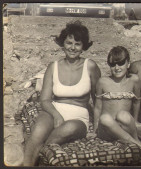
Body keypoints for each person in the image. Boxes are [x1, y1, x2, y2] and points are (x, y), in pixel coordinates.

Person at [23, 21, 101, 166]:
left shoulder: (90, 66)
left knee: (68, 128)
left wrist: (96, 128)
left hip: (78, 117)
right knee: (37, 132)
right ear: (62, 43)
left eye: (77, 44)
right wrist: (56, 115)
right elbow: (45, 100)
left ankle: (41, 156)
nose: (72, 47)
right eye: (69, 42)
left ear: (83, 46)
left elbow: (98, 100)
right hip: (54, 110)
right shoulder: (53, 67)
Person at [93, 46, 141, 157]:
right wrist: (95, 127)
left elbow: (136, 102)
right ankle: (138, 144)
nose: (117, 68)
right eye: (112, 65)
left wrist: (135, 121)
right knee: (104, 118)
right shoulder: (103, 82)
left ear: (128, 64)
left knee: (123, 115)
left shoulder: (134, 80)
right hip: (107, 129)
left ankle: (135, 139)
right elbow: (97, 107)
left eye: (121, 63)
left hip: (124, 126)